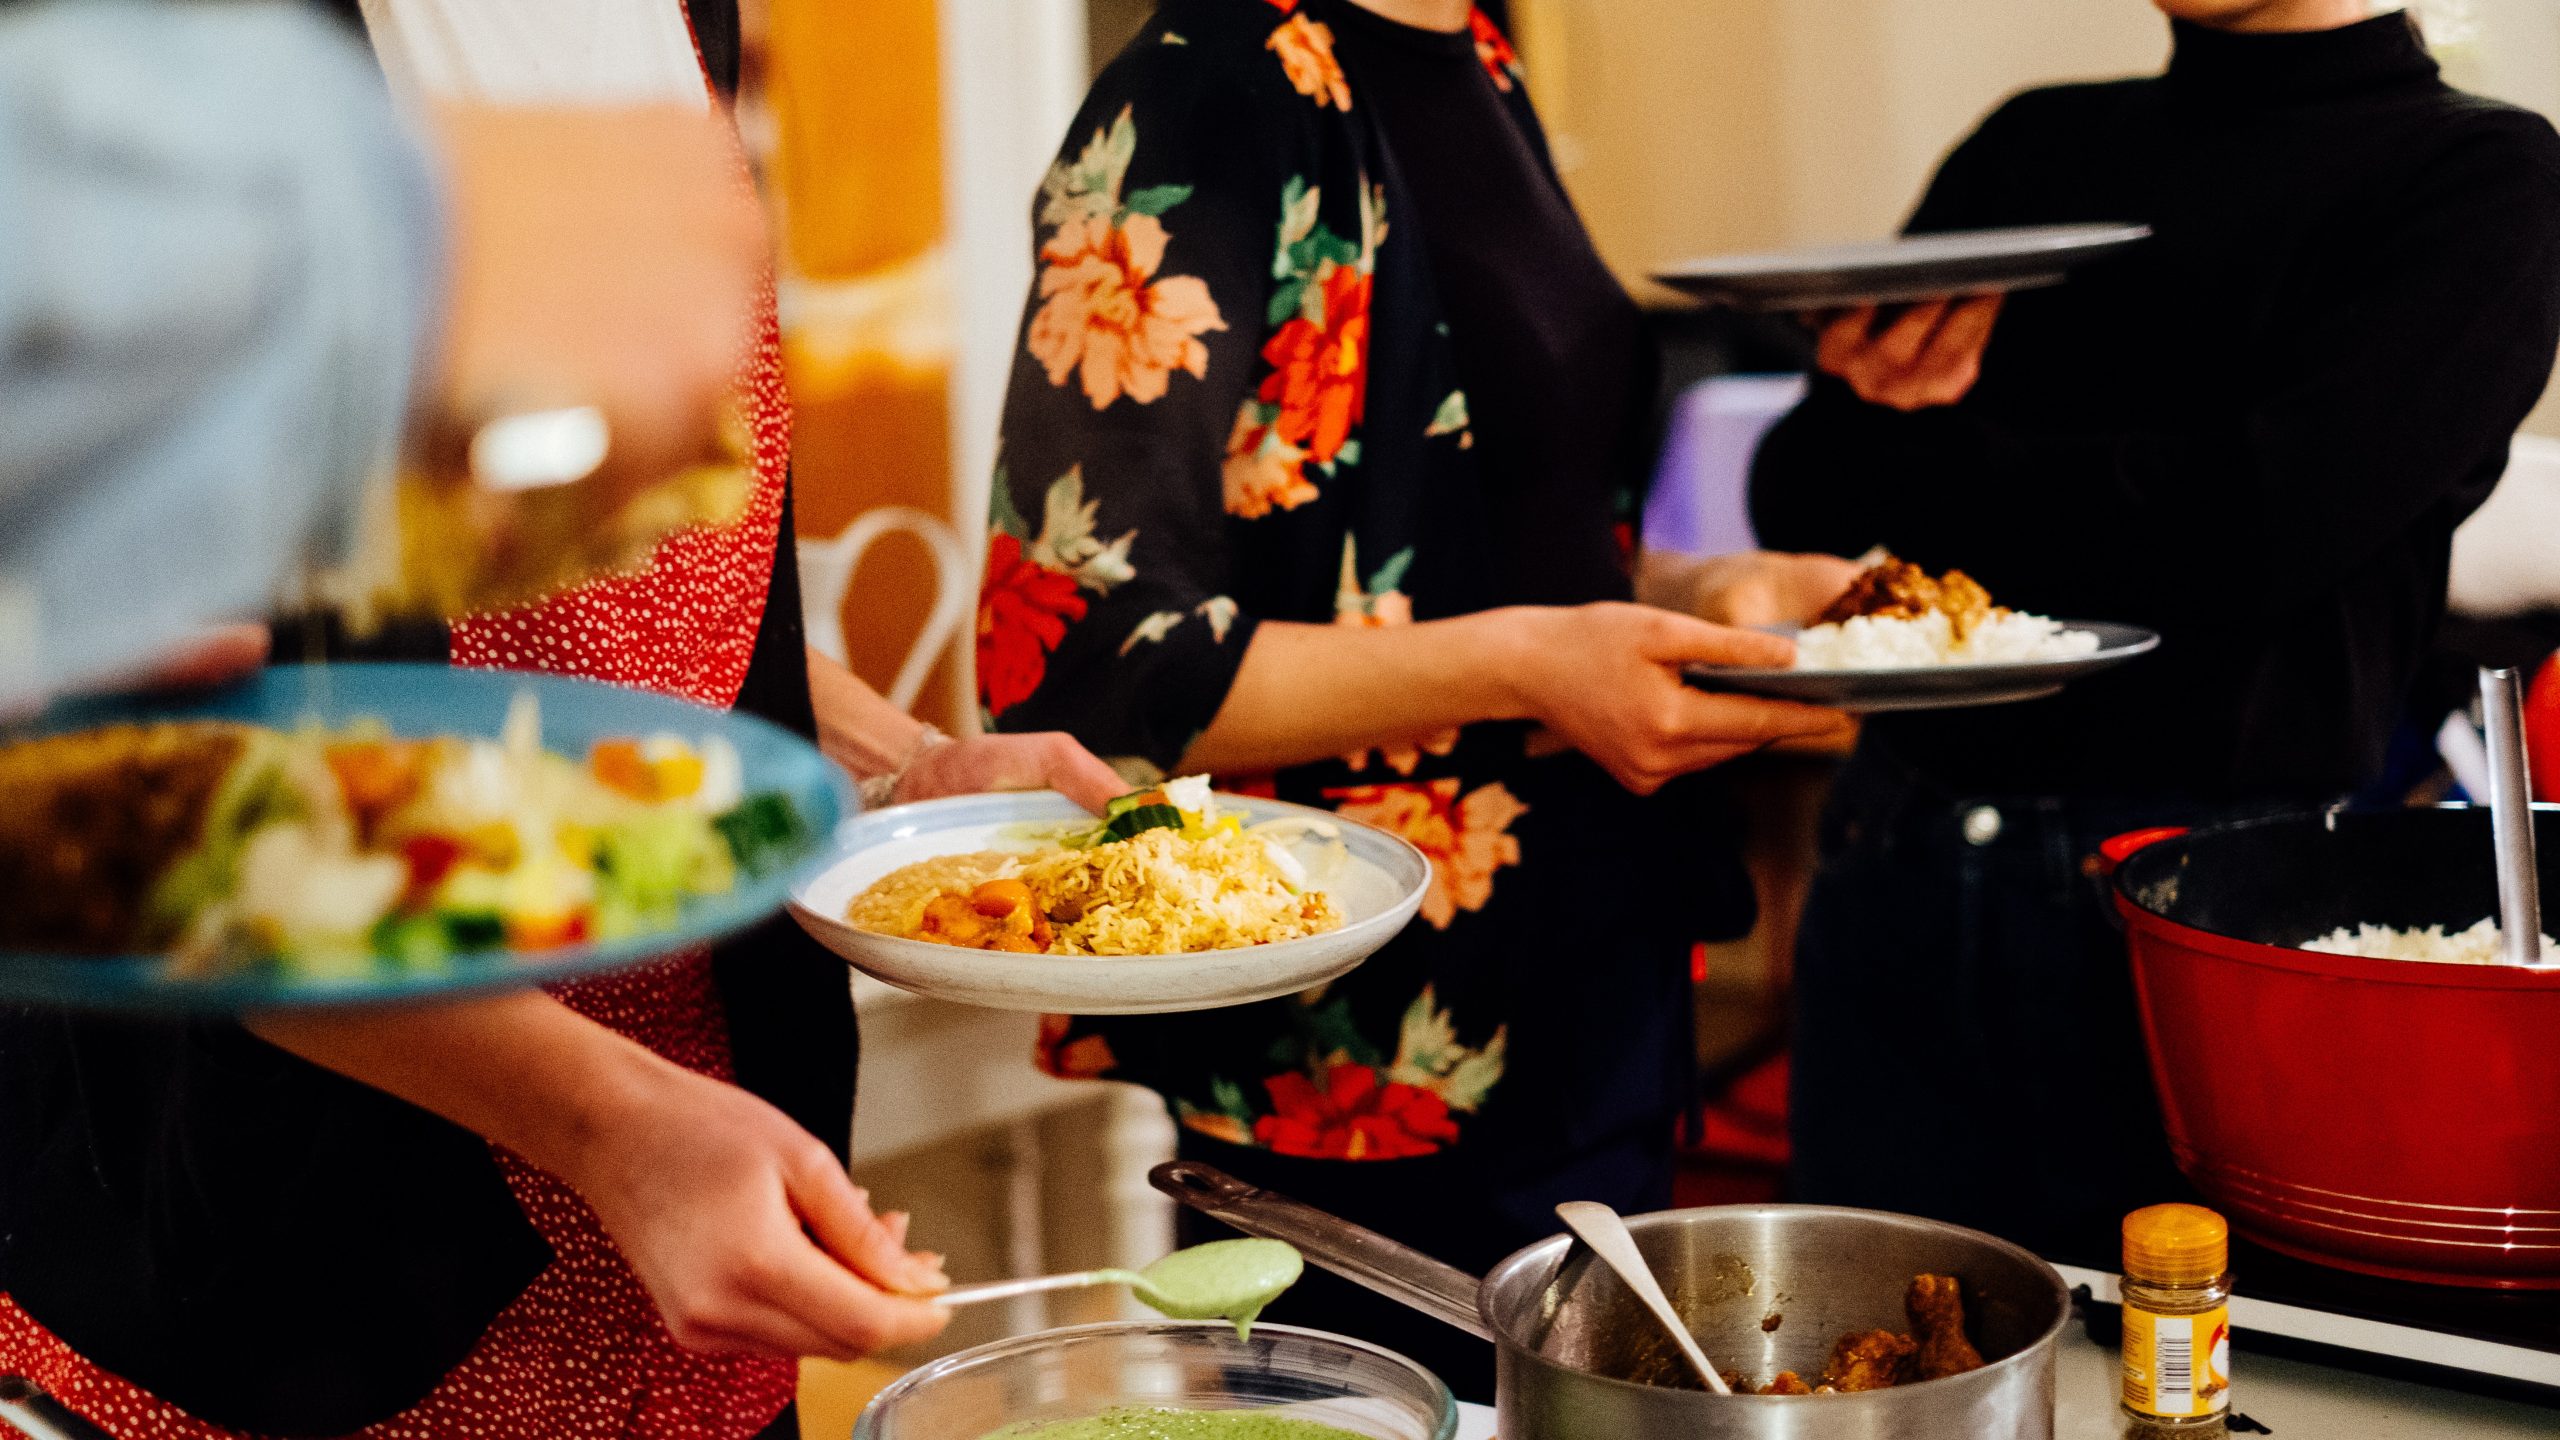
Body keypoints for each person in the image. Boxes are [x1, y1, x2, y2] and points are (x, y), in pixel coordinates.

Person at [0, 4, 1122, 1438]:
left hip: (702, 1190)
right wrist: (608, 1123)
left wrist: (897, 765)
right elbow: (138, 792)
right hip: (313, 1261)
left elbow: (650, 594)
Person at [982, 0, 1853, 1397]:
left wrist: (1706, 595)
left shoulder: (1478, 58)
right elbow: (1090, 664)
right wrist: (1523, 665)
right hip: (1360, 1058)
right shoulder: (1208, 93)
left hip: (1583, 987)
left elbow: (1488, 535)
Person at [1750, 0, 2560, 1263]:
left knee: (2185, 1375)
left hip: (2210, 897)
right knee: (1851, 1356)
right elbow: (1801, 484)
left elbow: (2254, 535)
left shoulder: (2481, 173)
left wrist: (1939, 458)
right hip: (1899, 849)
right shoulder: (2034, 143)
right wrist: (2111, 483)